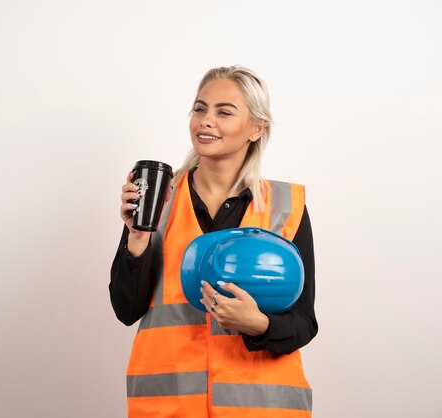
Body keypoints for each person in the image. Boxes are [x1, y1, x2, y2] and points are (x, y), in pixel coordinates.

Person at [109, 66, 318, 417]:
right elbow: (126, 310)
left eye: (224, 112)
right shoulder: (157, 199)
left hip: (260, 409)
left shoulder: (286, 206)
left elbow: (303, 324)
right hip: (171, 409)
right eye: (200, 108)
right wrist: (138, 236)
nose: (206, 121)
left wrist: (258, 324)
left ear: (256, 128)